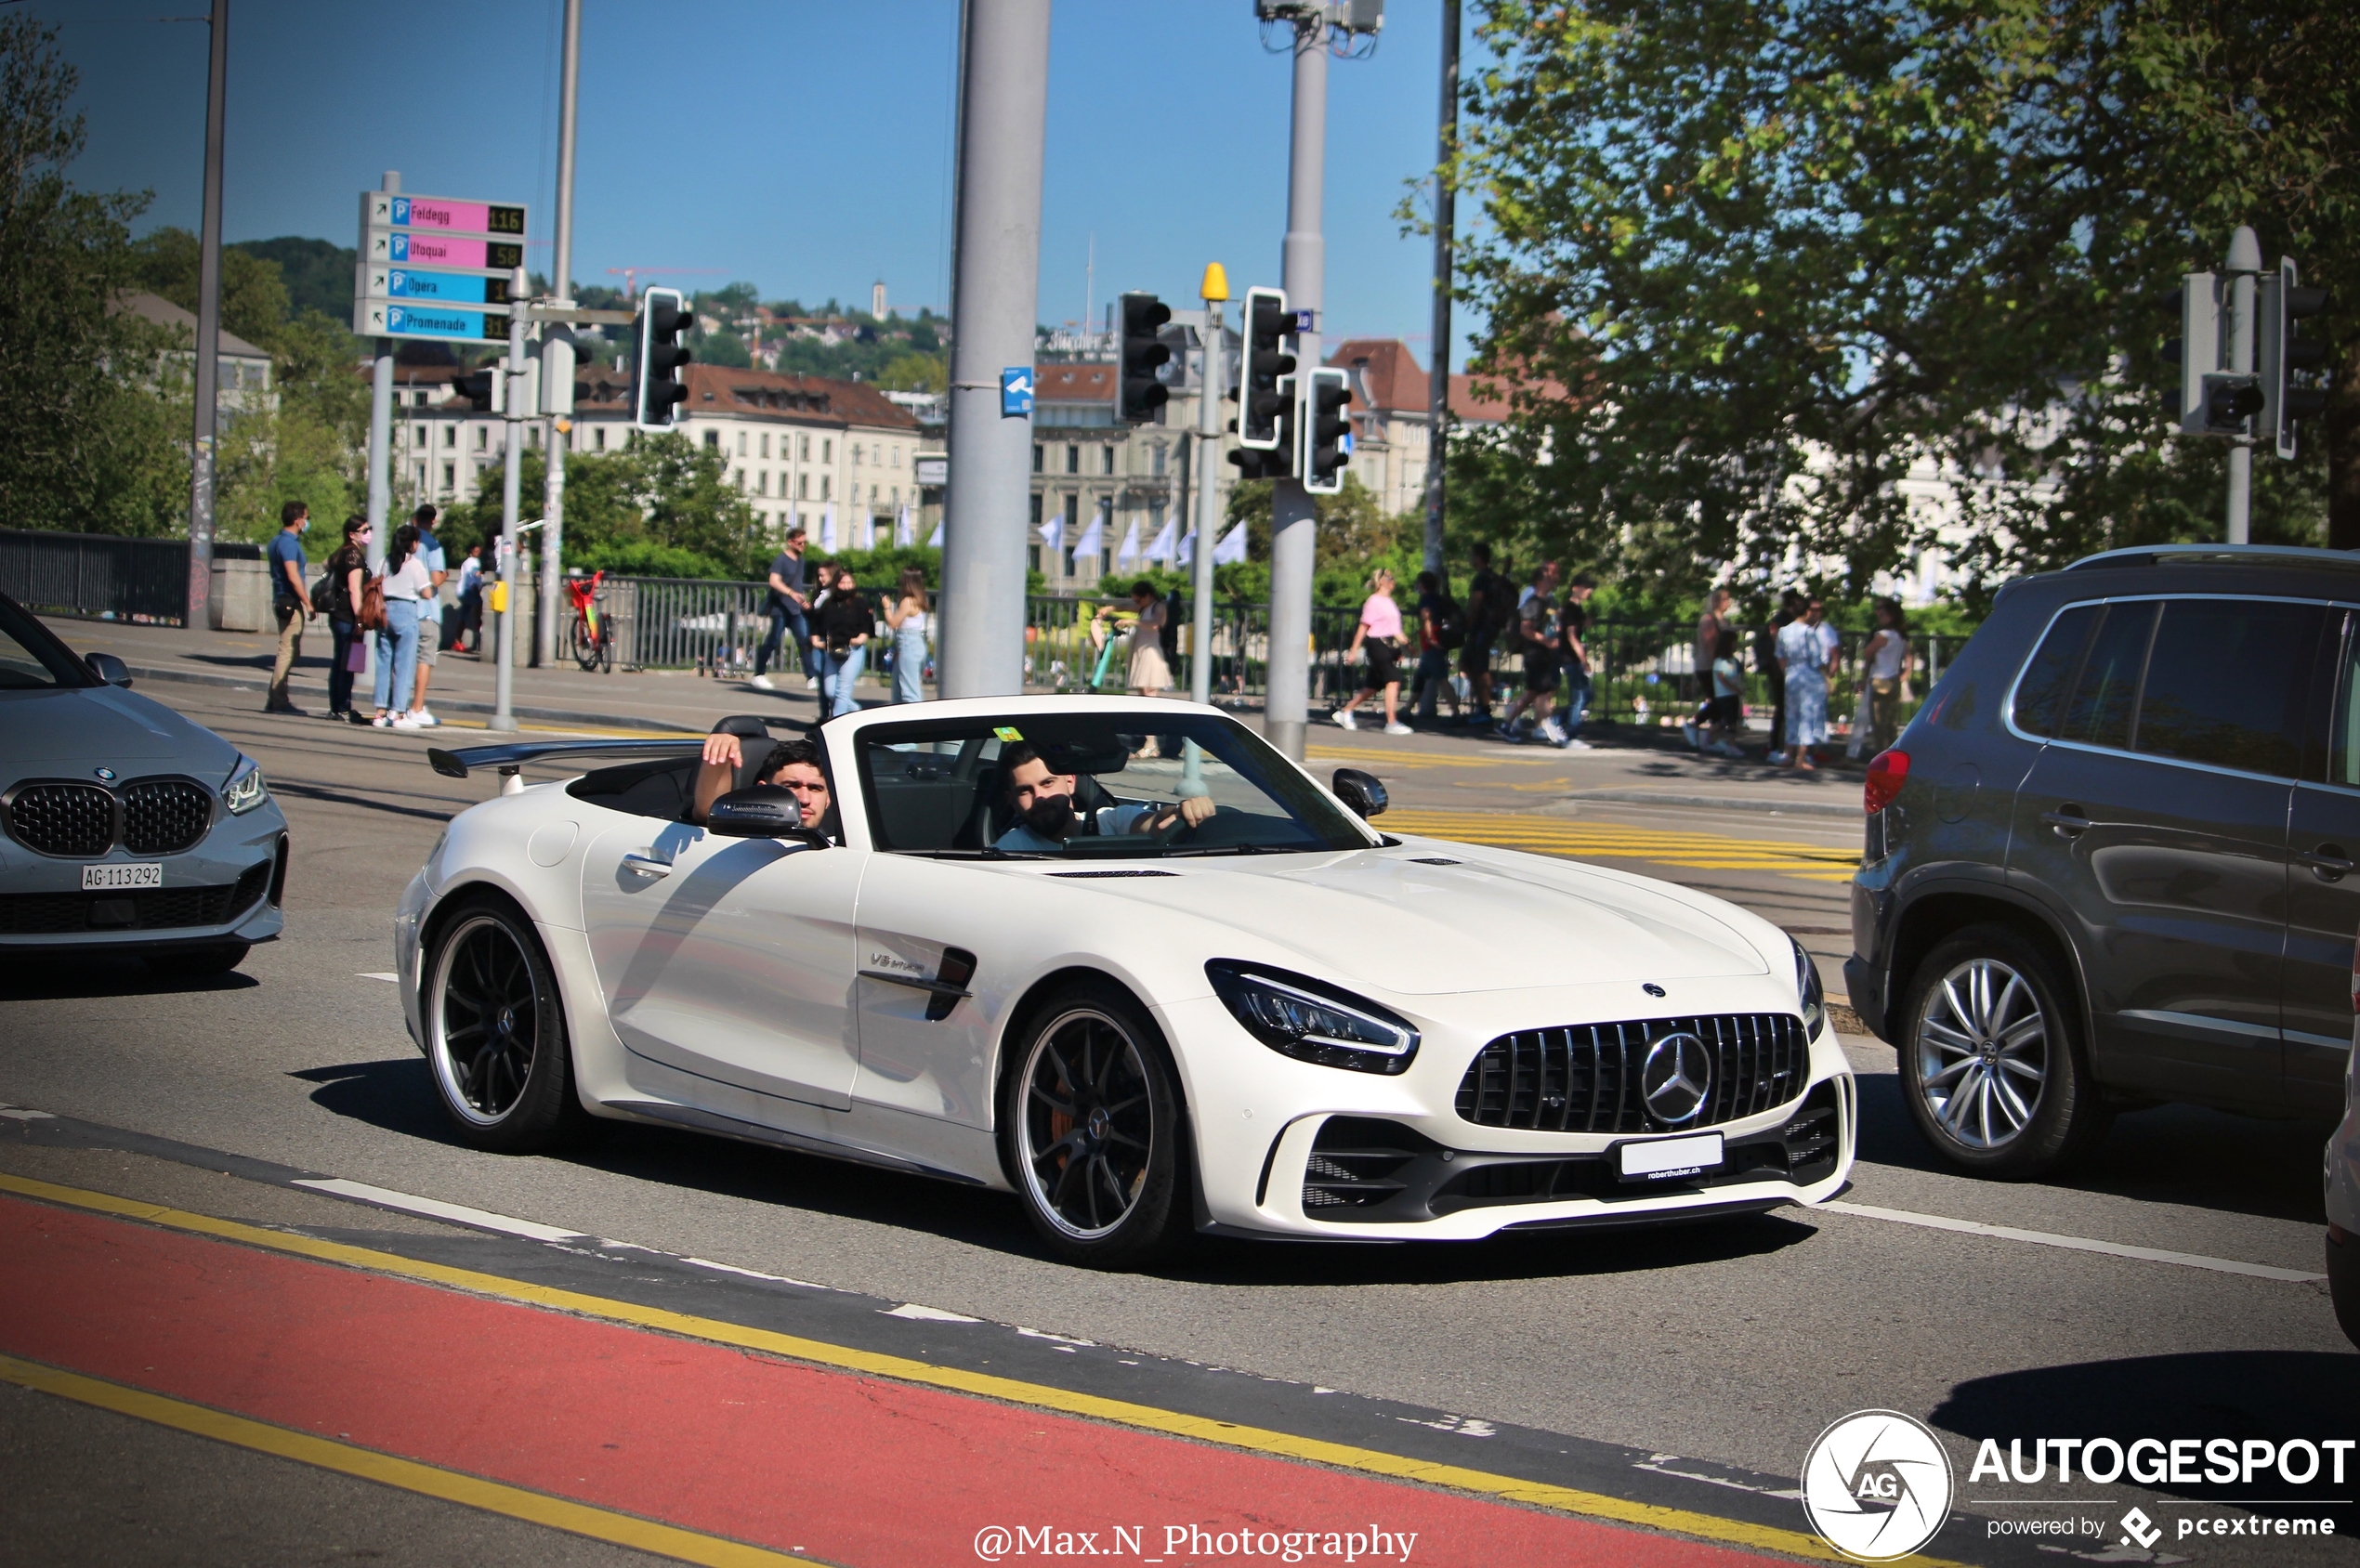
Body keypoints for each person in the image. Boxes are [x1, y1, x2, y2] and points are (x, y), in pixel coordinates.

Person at [993, 743, 1213, 853]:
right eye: (1025, 791)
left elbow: (1158, 823)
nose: (1039, 797)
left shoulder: (1112, 821)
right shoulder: (1011, 849)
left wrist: (1182, 810)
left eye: (1047, 783)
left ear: (1070, 781)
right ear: (1011, 800)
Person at [689, 730, 835, 834]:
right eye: (791, 786)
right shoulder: (748, 840)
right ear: (763, 792)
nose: (804, 799)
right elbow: (707, 812)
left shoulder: (844, 844)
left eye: (815, 788)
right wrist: (720, 755)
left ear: (828, 798)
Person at [1331, 567, 1410, 734]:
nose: (1393, 581)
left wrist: (1405, 645)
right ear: (1382, 581)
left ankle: (1345, 711)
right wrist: (1353, 651)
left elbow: (1395, 629)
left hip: (1388, 644)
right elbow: (1363, 627)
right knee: (1393, 680)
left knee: (1373, 686)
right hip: (1376, 643)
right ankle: (1391, 722)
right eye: (1390, 578)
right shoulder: (1373, 601)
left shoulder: (1390, 602)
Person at [371, 522, 431, 729]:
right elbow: (427, 592)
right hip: (406, 611)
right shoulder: (414, 565)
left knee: (383, 662)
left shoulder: (384, 562)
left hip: (384, 612)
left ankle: (380, 712)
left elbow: (375, 582)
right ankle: (397, 713)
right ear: (413, 544)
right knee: (403, 665)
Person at [1498, 563, 1565, 745]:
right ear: (1539, 581)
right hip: (1535, 653)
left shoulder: (1548, 602)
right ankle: (1549, 728)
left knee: (1534, 692)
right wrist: (1547, 641)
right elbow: (1525, 629)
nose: (1553, 580)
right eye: (1548, 578)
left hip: (1544, 653)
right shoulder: (1533, 603)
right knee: (1543, 690)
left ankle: (1507, 724)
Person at [1776, 596, 1835, 769]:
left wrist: (1787, 671)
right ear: (1807, 611)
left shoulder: (1783, 631)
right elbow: (1816, 660)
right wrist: (1826, 676)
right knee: (1807, 716)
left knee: (1791, 715)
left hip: (1792, 674)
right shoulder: (1808, 632)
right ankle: (1800, 758)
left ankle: (1788, 754)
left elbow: (1780, 656)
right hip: (1809, 676)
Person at [751, 527, 814, 692]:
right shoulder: (781, 559)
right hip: (780, 607)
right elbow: (774, 580)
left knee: (805, 640)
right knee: (773, 641)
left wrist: (802, 599)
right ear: (790, 542)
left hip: (795, 608)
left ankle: (812, 677)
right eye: (800, 543)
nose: (802, 546)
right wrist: (791, 593)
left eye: (804, 543)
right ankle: (758, 674)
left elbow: (797, 584)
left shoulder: (801, 561)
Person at [265, 501, 312, 714]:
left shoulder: (276, 541)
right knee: (287, 650)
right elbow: (293, 576)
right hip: (290, 602)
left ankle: (275, 696)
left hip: (282, 600)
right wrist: (308, 603)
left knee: (291, 650)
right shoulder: (289, 544)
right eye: (306, 518)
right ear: (298, 520)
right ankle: (278, 699)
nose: (307, 522)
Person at [323, 517, 370, 723]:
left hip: (337, 615)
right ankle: (342, 706)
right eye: (365, 530)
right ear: (352, 534)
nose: (369, 533)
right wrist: (360, 618)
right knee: (347, 664)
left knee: (340, 662)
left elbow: (327, 563)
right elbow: (354, 589)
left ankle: (337, 706)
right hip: (347, 616)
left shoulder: (341, 551)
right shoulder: (353, 555)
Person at [1459, 543, 1509, 728]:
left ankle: (1484, 708)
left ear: (1479, 557)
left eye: (1472, 556)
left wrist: (1467, 622)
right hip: (1489, 627)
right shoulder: (1492, 577)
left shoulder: (1482, 578)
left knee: (1480, 667)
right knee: (1467, 663)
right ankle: (1482, 702)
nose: (1470, 559)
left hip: (1480, 628)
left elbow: (1476, 603)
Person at [405, 505, 446, 727]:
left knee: (403, 659)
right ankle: (417, 707)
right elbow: (436, 579)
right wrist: (446, 573)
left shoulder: (402, 540)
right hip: (426, 610)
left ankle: (397, 706)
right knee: (424, 659)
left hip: (403, 607)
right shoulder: (432, 545)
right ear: (433, 521)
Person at [813, 564, 871, 719]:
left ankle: (836, 721)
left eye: (850, 583)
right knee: (830, 690)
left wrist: (860, 638)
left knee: (843, 690)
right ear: (836, 584)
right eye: (843, 583)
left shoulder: (860, 603)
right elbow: (817, 623)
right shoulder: (829, 604)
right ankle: (856, 710)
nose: (847, 587)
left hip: (853, 649)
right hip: (833, 649)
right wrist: (815, 639)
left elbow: (867, 626)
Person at [1409, 569, 1461, 724]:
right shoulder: (1439, 599)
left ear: (1422, 585)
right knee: (1421, 677)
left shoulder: (1426, 600)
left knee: (1442, 679)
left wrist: (1431, 638)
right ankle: (1407, 708)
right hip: (1435, 642)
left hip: (1431, 642)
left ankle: (1456, 714)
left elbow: (1427, 618)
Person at [1684, 586, 1733, 749]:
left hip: (1720, 666)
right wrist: (1718, 665)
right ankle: (1695, 723)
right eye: (1725, 599)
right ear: (1716, 601)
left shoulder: (1724, 620)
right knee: (1719, 700)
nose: (1728, 602)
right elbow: (1709, 644)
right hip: (1708, 666)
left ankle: (1713, 736)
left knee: (1722, 700)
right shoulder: (1708, 620)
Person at [1761, 589, 1805, 763]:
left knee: (1783, 709)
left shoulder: (1781, 620)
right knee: (1784, 709)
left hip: (1780, 669)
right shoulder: (1784, 622)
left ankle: (1779, 746)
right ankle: (1778, 746)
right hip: (1783, 670)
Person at [1861, 596, 1910, 754]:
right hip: (1894, 679)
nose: (1878, 615)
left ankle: (1882, 755)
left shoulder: (1883, 635)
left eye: (1882, 613)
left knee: (1879, 723)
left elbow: (1867, 652)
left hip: (1880, 678)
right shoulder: (1900, 635)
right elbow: (1908, 658)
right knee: (1892, 722)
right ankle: (1893, 753)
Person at [1556, 573, 1597, 750]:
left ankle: (1556, 721)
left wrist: (1586, 621)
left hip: (1572, 657)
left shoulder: (1577, 610)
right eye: (1586, 587)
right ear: (1576, 588)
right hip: (1570, 657)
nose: (1589, 591)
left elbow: (1579, 627)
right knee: (1579, 695)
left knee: (1587, 694)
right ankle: (1571, 735)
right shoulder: (1571, 609)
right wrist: (1583, 659)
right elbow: (1572, 636)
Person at [883, 567, 932, 704]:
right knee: (898, 685)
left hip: (909, 643)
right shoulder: (920, 598)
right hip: (912, 642)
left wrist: (887, 606)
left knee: (909, 690)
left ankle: (916, 720)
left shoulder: (908, 601)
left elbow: (893, 623)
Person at [1700, 626, 1747, 758]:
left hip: (1733, 695)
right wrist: (1736, 689)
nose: (1736, 645)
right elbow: (1722, 679)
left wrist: (1739, 689)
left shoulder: (1733, 661)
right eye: (1734, 642)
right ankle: (1711, 735)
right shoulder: (1719, 661)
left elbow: (1736, 677)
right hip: (1724, 695)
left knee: (1732, 721)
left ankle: (1728, 744)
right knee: (1728, 720)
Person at [452, 544, 484, 654]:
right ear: (471, 551)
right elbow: (473, 578)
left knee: (464, 615)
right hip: (468, 590)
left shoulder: (467, 561)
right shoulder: (473, 562)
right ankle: (478, 633)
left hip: (461, 590)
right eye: (476, 550)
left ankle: (457, 640)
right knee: (478, 609)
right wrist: (477, 594)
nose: (478, 551)